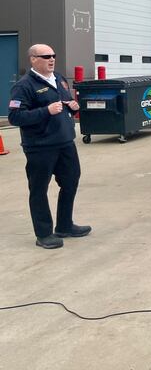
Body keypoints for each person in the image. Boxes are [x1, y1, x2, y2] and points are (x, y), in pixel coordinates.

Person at [8, 44, 91, 249]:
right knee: (39, 189)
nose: (51, 59)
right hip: (40, 146)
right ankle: (44, 234)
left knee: (70, 181)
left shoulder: (60, 79)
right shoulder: (24, 86)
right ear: (33, 60)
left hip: (65, 142)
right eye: (46, 56)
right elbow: (14, 117)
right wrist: (45, 111)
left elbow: (65, 103)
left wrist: (72, 107)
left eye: (53, 55)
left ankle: (65, 225)